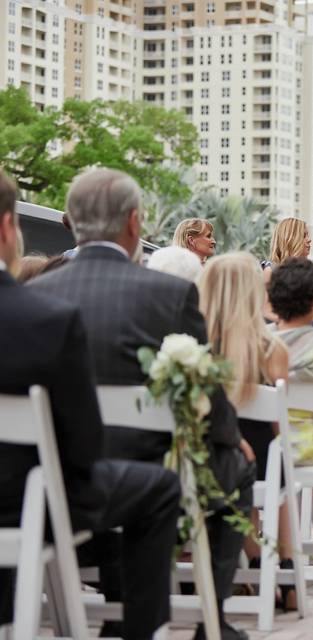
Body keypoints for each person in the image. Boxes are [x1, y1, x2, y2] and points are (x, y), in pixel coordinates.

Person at [30, 168, 255, 640]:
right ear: (134, 223)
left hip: (54, 478)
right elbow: (206, 391)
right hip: (152, 470)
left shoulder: (34, 294)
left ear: (70, 223)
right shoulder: (170, 294)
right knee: (235, 466)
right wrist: (231, 439)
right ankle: (209, 616)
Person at [0, 169, 181, 638]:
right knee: (156, 486)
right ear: (7, 229)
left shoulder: (39, 295)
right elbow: (81, 445)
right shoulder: (44, 316)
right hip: (35, 496)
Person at [197, 251, 298, 611]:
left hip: (205, 461)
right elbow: (279, 427)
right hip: (262, 461)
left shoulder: (196, 350)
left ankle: (255, 558)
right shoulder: (272, 349)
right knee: (278, 462)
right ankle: (285, 569)